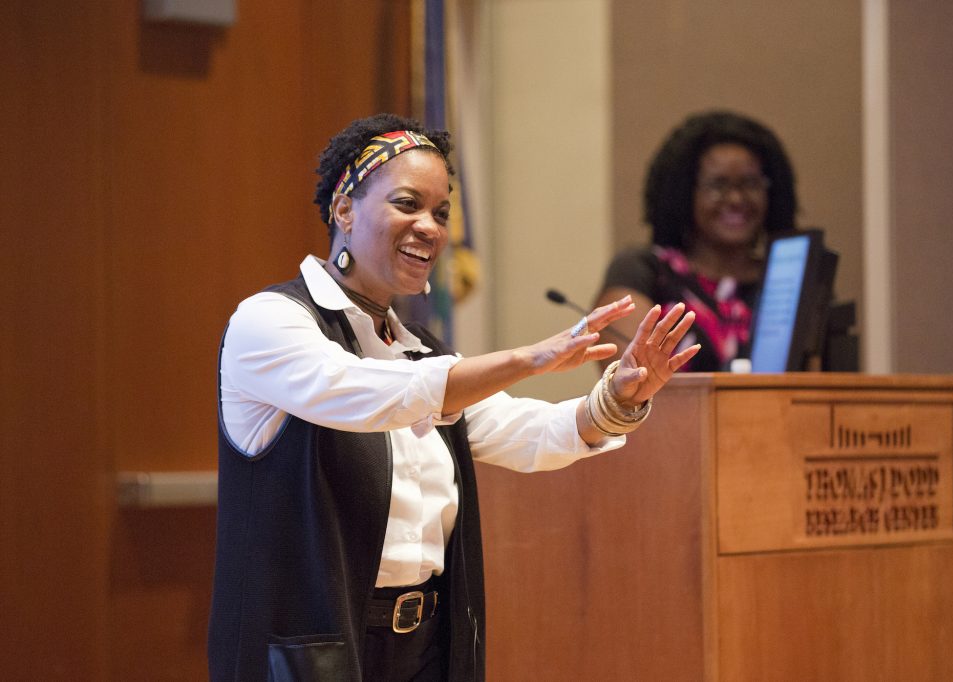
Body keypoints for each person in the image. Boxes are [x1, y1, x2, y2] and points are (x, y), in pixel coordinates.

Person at [207, 113, 700, 682]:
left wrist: (617, 396)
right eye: (408, 203)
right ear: (344, 209)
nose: (431, 228)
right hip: (308, 655)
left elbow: (529, 434)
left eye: (441, 213)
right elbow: (366, 395)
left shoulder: (418, 349)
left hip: (426, 650)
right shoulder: (269, 322)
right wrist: (529, 358)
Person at [594, 110, 798, 372]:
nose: (736, 199)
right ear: (683, 193)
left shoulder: (787, 280)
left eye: (750, 184)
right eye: (717, 185)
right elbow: (625, 380)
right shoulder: (644, 271)